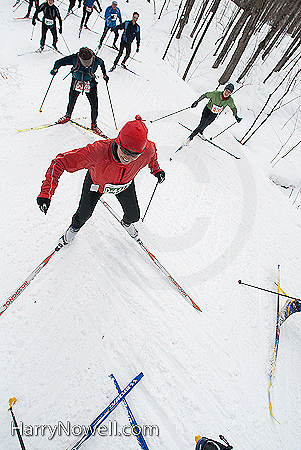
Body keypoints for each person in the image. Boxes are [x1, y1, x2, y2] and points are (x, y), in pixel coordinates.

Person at [36, 115, 165, 246]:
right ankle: (73, 229)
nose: (128, 158)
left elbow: (152, 157)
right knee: (83, 214)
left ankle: (126, 223)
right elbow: (60, 162)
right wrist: (46, 193)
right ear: (118, 141)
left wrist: (157, 170)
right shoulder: (97, 152)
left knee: (134, 216)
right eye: (125, 151)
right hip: (96, 184)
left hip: (125, 185)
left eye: (135, 154)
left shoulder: (147, 150)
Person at [50, 47, 109, 135]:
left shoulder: (97, 60)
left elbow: (102, 64)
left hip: (90, 84)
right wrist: (55, 69)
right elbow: (58, 62)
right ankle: (67, 115)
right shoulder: (75, 58)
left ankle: (94, 125)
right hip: (76, 82)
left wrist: (105, 74)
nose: (86, 65)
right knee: (71, 100)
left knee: (94, 105)